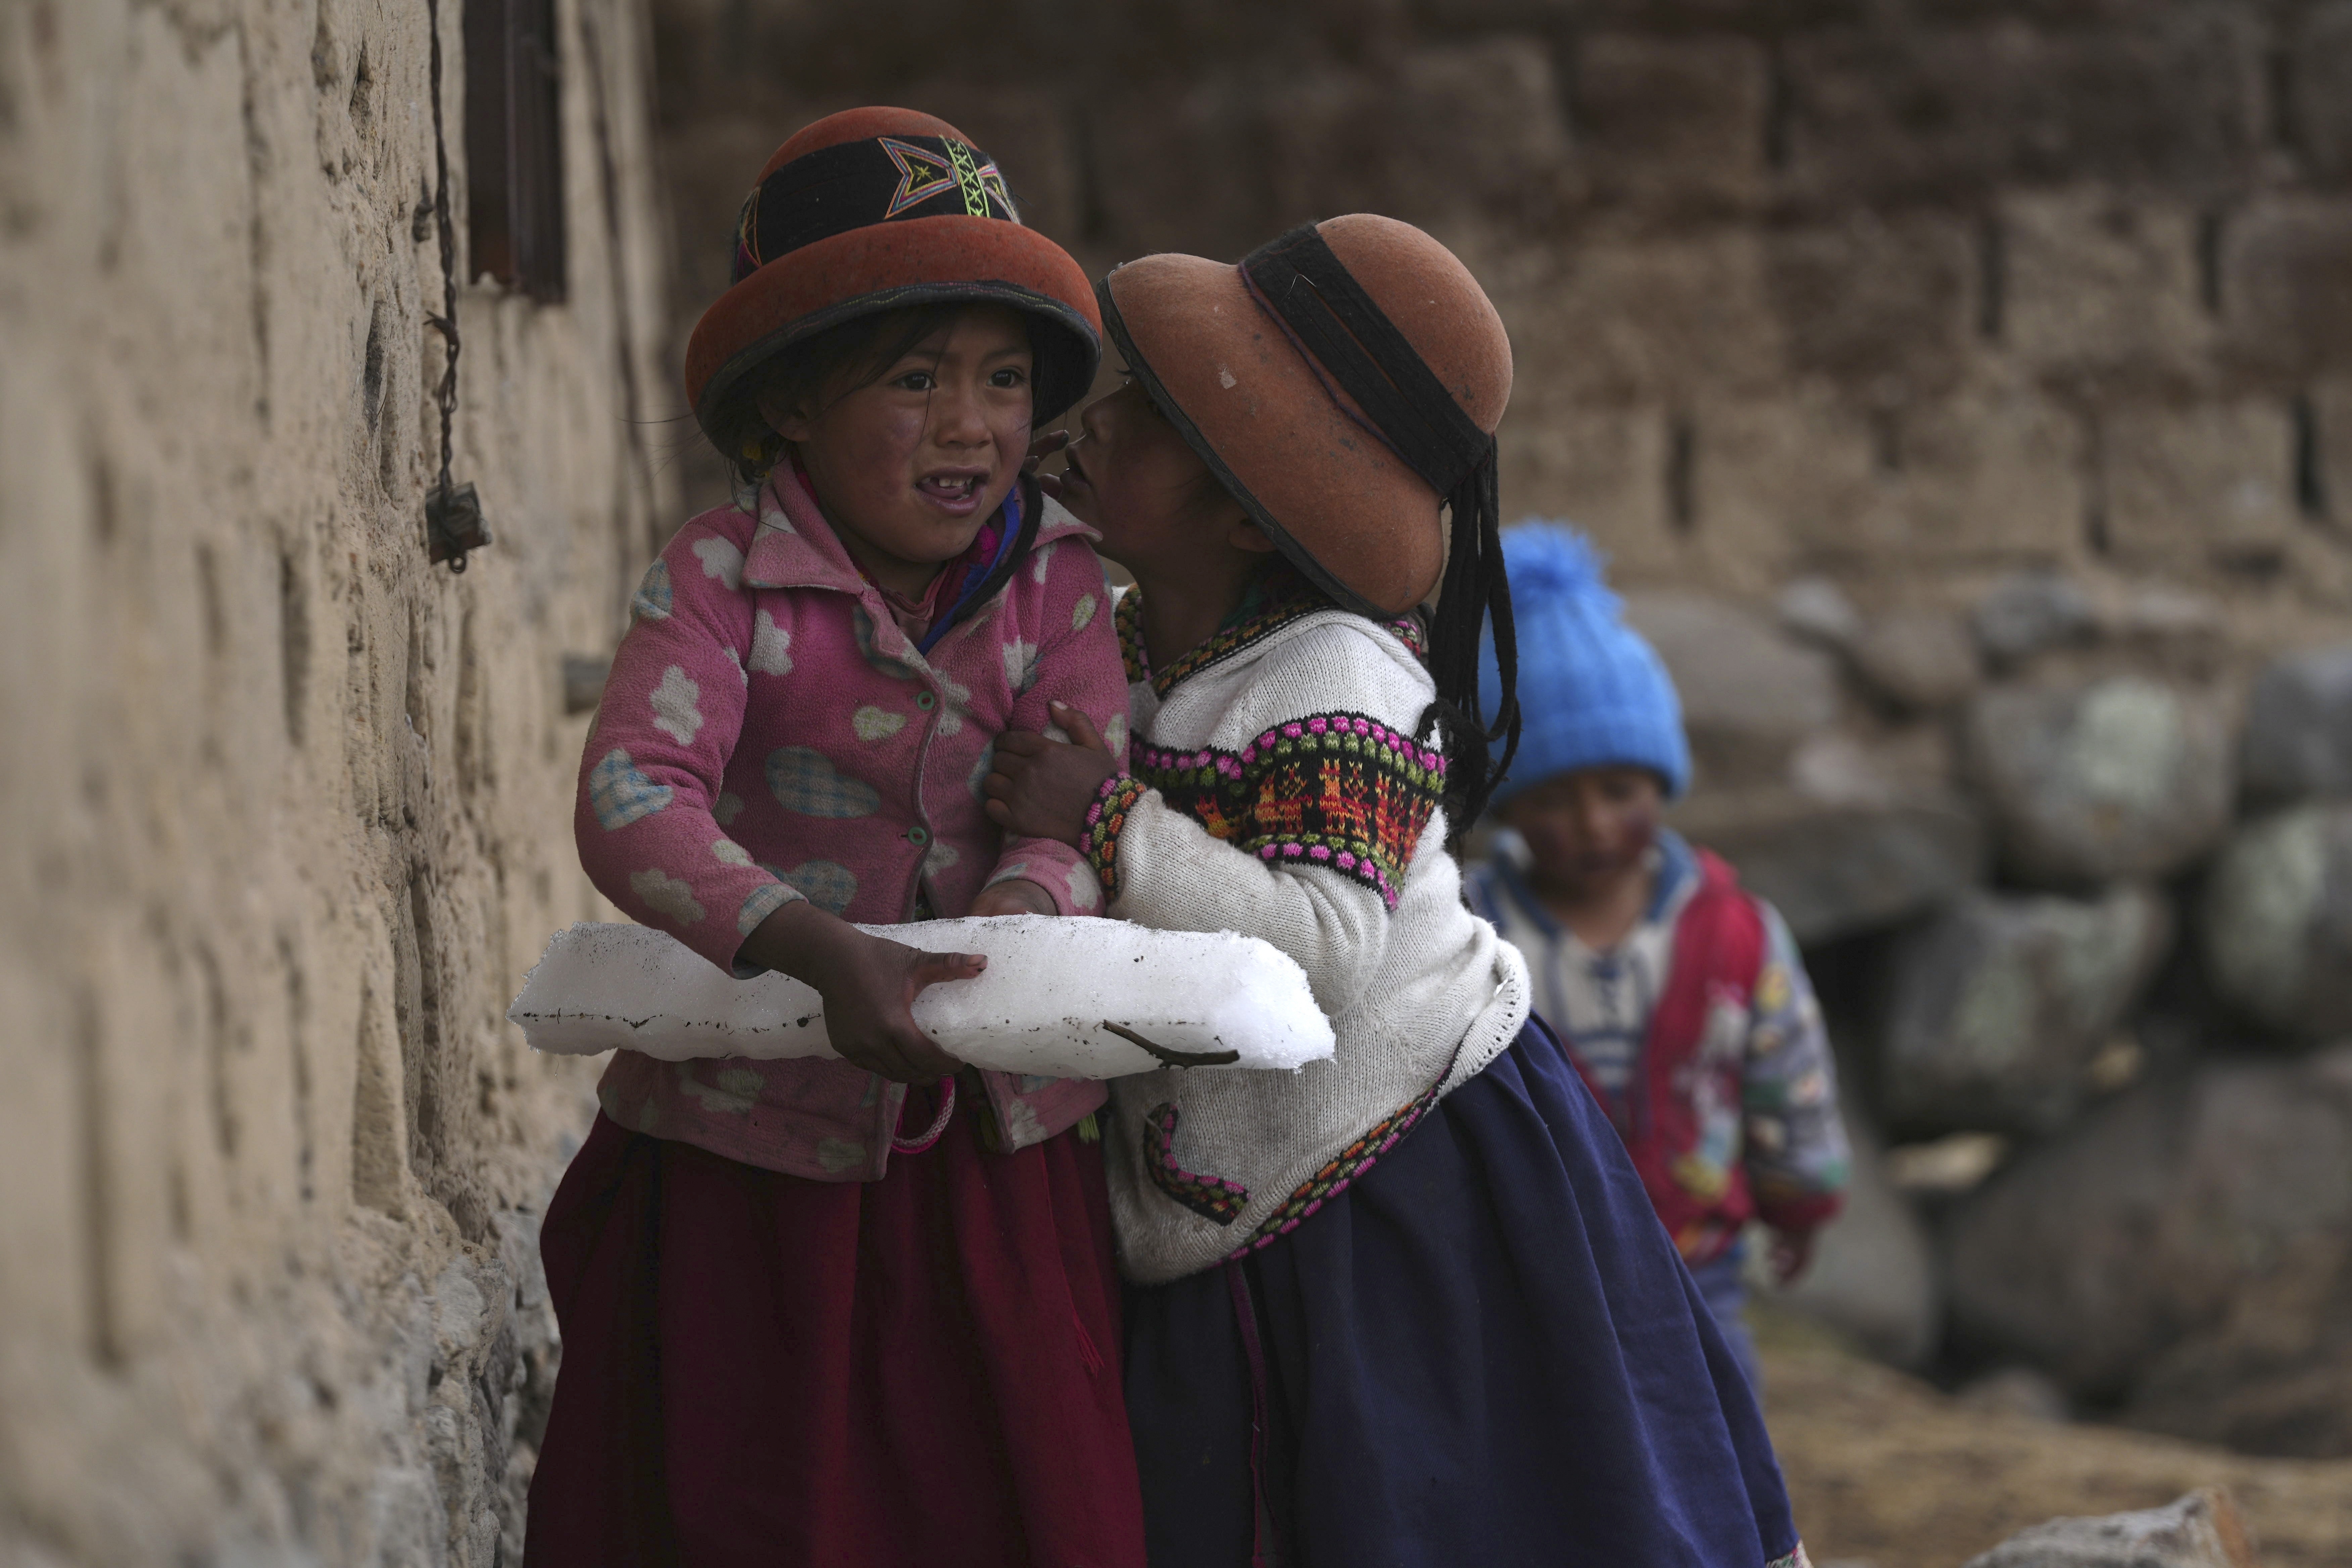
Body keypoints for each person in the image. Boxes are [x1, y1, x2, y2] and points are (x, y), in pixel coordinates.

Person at [985, 214, 1812, 1568]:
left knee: (1461, 1502)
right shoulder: (1131, 652)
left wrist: (1108, 820)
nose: (1088, 428)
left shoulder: (1333, 676)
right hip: (1244, 1187)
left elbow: (1320, 952)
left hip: (1406, 1189)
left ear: (1245, 509)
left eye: (1141, 420)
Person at [523, 107, 1145, 1567]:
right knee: (749, 1502)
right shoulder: (725, 579)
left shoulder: (1060, 587)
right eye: (915, 377)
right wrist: (812, 950)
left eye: (1002, 380)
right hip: (749, 1152)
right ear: (791, 404)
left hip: (994, 1156)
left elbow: (1088, 795)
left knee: (1022, 1501)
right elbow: (633, 796)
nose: (971, 424)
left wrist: (992, 933)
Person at [1464, 523, 1851, 1393]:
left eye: (1620, 791)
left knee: (1717, 1458)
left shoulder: (1736, 938)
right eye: (1553, 799)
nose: (1595, 824)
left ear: (1662, 782)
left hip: (1697, 1271)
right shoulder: (1471, 934)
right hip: (1526, 1277)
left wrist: (1801, 1200)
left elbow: (1789, 1076)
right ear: (1509, 807)